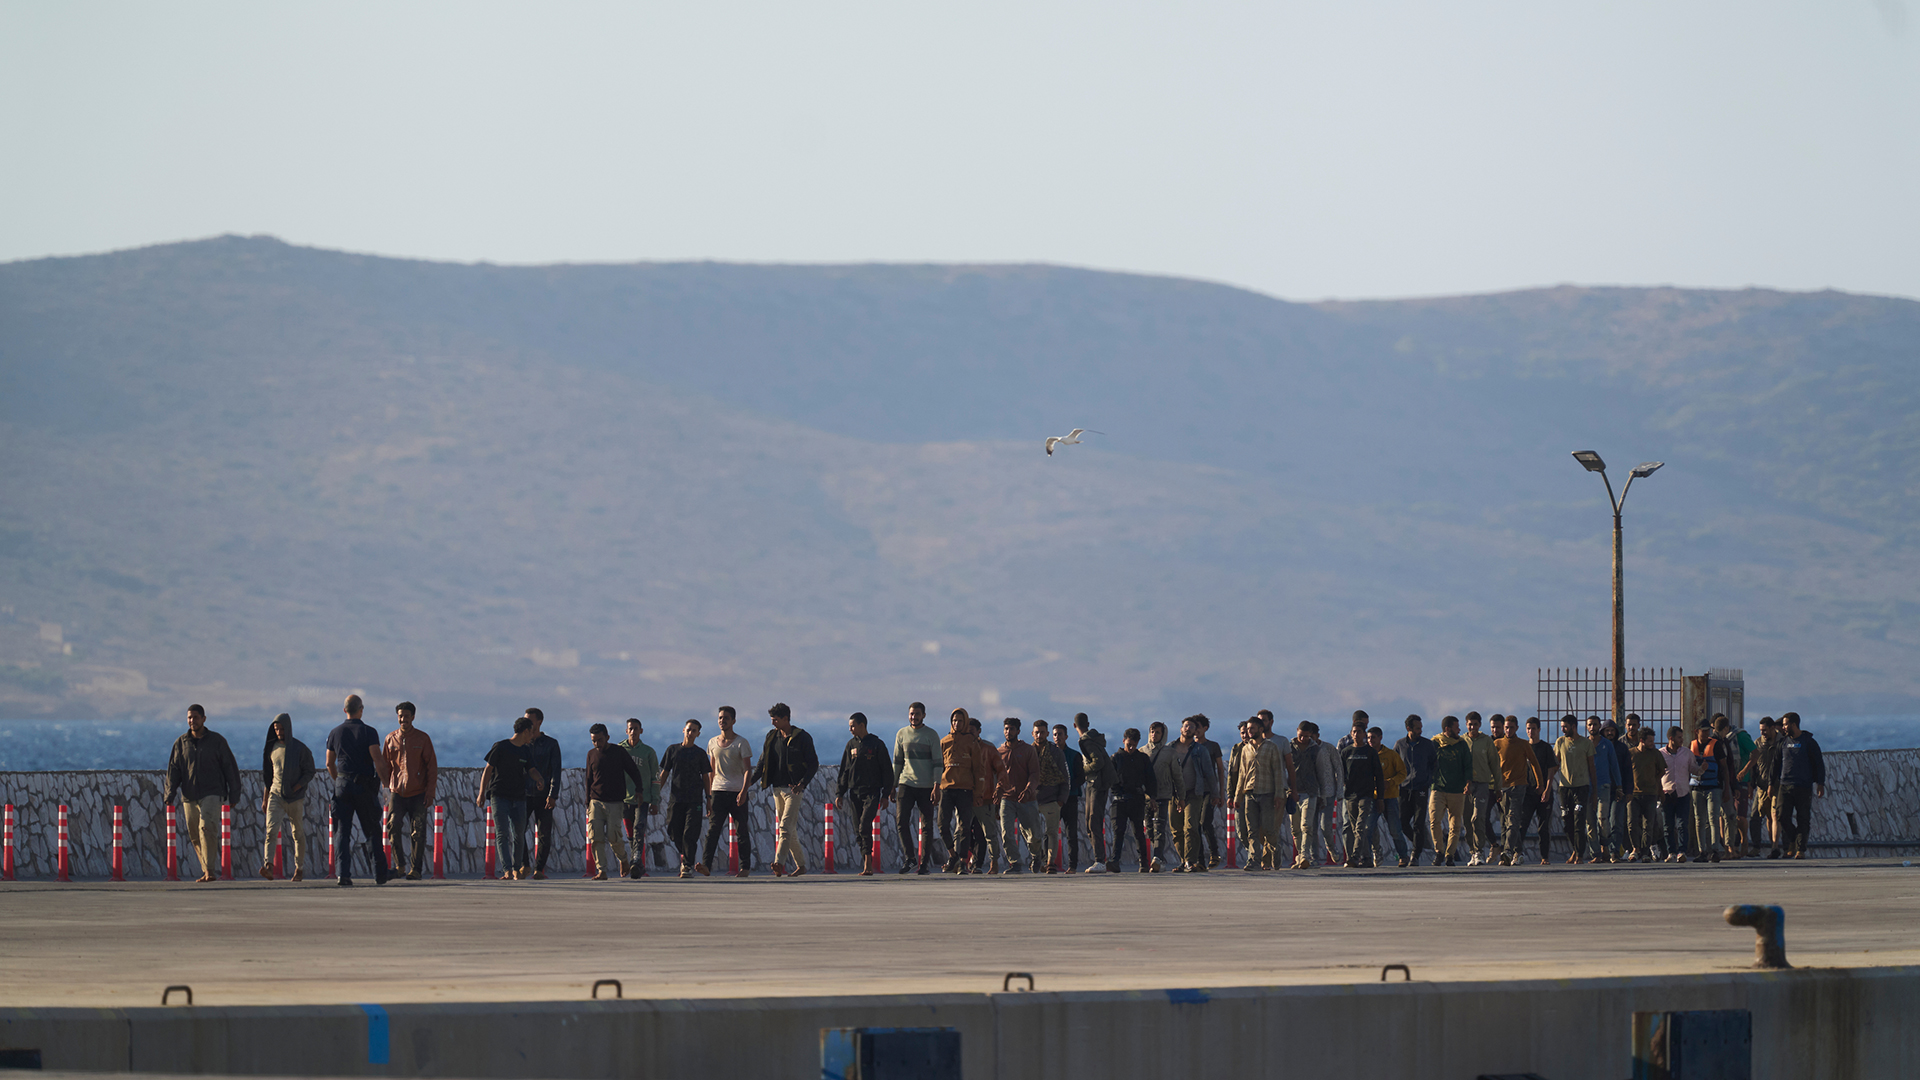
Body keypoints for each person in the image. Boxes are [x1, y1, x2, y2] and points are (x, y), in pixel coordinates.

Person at [163, 705, 241, 884]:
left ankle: (210, 870)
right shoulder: (181, 743)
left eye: (196, 717)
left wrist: (234, 794)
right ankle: (206, 870)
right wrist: (170, 793)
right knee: (195, 834)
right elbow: (173, 770)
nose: (192, 721)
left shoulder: (217, 741)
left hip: (212, 792)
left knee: (207, 828)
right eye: (189, 717)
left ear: (204, 719)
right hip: (189, 795)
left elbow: (230, 767)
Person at [326, 694, 390, 887]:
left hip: (342, 785)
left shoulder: (335, 732)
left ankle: (342, 875)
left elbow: (329, 763)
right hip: (363, 786)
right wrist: (386, 785)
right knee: (371, 830)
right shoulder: (369, 732)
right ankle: (380, 874)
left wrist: (339, 781)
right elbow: (377, 760)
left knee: (342, 832)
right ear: (361, 709)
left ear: (345, 710)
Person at [756, 703, 818, 877]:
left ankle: (779, 863)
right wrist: (747, 784)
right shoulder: (771, 737)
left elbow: (814, 763)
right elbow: (762, 763)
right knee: (789, 831)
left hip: (794, 790)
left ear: (786, 719)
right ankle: (802, 865)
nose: (772, 722)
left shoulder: (802, 737)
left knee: (784, 827)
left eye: (775, 719)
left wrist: (802, 783)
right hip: (777, 788)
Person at [476, 715, 539, 880]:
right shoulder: (501, 747)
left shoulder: (525, 750)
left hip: (519, 797)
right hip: (499, 796)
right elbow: (488, 770)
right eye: (531, 732)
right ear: (525, 731)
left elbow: (531, 769)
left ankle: (517, 868)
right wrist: (482, 792)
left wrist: (539, 779)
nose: (532, 736)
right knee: (502, 833)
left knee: (519, 834)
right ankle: (507, 870)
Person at [382, 701, 438, 880]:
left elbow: (432, 767)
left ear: (413, 717)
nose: (403, 719)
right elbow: (385, 767)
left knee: (418, 831)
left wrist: (430, 793)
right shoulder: (390, 739)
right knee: (393, 826)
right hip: (397, 793)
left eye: (406, 716)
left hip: (418, 793)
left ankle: (416, 869)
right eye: (400, 716)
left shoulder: (422, 739)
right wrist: (385, 788)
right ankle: (400, 866)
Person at [583, 723, 643, 880]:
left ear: (607, 738)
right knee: (595, 836)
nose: (597, 744)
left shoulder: (619, 752)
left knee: (613, 836)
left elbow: (633, 770)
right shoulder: (590, 754)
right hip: (595, 800)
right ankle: (601, 870)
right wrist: (587, 801)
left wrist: (639, 790)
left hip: (615, 802)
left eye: (600, 740)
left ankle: (623, 859)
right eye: (594, 741)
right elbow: (588, 778)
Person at [258, 712, 314, 881]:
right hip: (275, 795)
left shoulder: (300, 748)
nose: (279, 732)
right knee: (271, 831)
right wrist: (265, 797)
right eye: (276, 729)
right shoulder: (272, 748)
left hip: (295, 798)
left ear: (288, 728)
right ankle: (268, 865)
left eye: (281, 728)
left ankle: (299, 868)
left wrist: (297, 786)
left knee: (297, 832)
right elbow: (269, 776)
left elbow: (309, 771)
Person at [700, 706, 755, 877]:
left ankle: (744, 867)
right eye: (720, 718)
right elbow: (712, 770)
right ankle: (706, 865)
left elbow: (747, 769)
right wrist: (709, 795)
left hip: (737, 792)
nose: (722, 721)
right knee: (713, 831)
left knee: (742, 831)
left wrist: (744, 791)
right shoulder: (712, 742)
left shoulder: (741, 743)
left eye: (726, 718)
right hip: (718, 791)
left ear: (733, 721)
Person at [836, 712, 893, 876]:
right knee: (857, 830)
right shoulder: (850, 745)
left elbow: (887, 771)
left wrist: (885, 794)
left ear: (862, 725)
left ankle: (869, 863)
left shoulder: (877, 744)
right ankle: (866, 863)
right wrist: (840, 792)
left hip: (872, 792)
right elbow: (844, 771)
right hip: (854, 793)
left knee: (864, 826)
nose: (850, 729)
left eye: (852, 726)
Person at [892, 702, 941, 875]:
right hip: (906, 783)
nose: (914, 717)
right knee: (901, 821)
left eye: (917, 714)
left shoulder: (931, 735)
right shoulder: (902, 734)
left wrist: (937, 786)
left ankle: (924, 864)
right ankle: (910, 858)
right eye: (912, 714)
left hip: (926, 786)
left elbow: (938, 763)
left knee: (927, 825)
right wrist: (893, 785)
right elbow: (897, 762)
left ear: (924, 715)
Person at [658, 719, 712, 878]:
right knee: (673, 831)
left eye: (694, 731)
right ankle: (687, 854)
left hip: (694, 800)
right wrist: (656, 794)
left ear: (698, 734)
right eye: (688, 730)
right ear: (683, 730)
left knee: (690, 834)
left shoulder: (700, 753)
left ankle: (687, 866)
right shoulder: (672, 750)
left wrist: (708, 799)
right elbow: (665, 774)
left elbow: (706, 777)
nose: (690, 733)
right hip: (676, 799)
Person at [1232, 719, 1288, 871]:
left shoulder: (1272, 747)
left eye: (1252, 728)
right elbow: (1242, 775)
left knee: (1269, 829)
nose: (1249, 731)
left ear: (1260, 729)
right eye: (1248, 728)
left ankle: (1276, 850)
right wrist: (1238, 797)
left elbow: (1277, 772)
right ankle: (1254, 860)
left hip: (1268, 794)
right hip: (1250, 794)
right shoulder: (1245, 749)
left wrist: (1278, 794)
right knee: (1252, 830)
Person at [1771, 712, 1825, 859]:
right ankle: (1794, 838)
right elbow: (1775, 764)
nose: (1783, 727)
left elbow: (1819, 763)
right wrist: (1771, 784)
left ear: (1794, 724)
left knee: (1803, 818)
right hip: (1785, 785)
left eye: (1785, 724)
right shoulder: (1782, 742)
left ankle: (1800, 849)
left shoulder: (1809, 742)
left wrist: (1820, 783)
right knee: (1781, 816)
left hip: (1803, 785)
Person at [1494, 716, 1543, 867]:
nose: (1508, 730)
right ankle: (1519, 853)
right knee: (1507, 822)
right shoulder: (1497, 744)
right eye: (1506, 727)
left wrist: (1540, 783)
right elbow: (1493, 766)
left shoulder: (1523, 744)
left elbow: (1534, 764)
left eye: (1511, 728)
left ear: (1516, 728)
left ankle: (1508, 852)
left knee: (1514, 819)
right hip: (1503, 787)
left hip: (1519, 785)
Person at [993, 717, 1041, 874]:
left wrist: (1029, 790)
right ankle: (1015, 863)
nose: (1008, 732)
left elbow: (1034, 773)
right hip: (1007, 799)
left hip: (1027, 799)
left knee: (1033, 835)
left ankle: (1036, 856)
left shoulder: (1028, 750)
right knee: (1006, 833)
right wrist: (997, 793)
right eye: (1006, 729)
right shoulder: (999, 752)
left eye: (1011, 729)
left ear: (1018, 731)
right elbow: (997, 776)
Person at [937, 709, 982, 873]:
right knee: (942, 824)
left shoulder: (971, 742)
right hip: (946, 789)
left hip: (965, 790)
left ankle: (963, 861)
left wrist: (978, 793)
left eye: (960, 721)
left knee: (964, 827)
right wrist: (935, 788)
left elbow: (978, 769)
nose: (957, 724)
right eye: (954, 720)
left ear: (965, 723)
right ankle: (952, 854)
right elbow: (939, 767)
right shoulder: (944, 741)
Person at [1171, 715, 1216, 872]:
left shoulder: (1200, 750)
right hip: (1175, 795)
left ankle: (1190, 860)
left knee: (1190, 827)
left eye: (1192, 726)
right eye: (1186, 726)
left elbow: (1210, 773)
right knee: (1176, 829)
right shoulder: (1171, 748)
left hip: (1194, 793)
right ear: (1181, 728)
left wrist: (1216, 794)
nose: (1188, 729)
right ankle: (1184, 860)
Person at [1075, 714, 1118, 872]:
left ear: (1074, 726)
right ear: (1088, 723)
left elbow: (1097, 761)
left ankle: (1099, 860)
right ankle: (1099, 859)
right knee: (1091, 822)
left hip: (1096, 784)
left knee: (1093, 821)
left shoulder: (1086, 741)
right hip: (1096, 784)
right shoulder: (1093, 739)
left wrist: (1083, 771)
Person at [1109, 728, 1156, 873]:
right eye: (1129, 743)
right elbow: (1110, 779)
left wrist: (1152, 797)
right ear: (1124, 741)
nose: (1131, 747)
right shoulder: (1116, 758)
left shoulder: (1142, 759)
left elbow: (1150, 780)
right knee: (1119, 831)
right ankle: (1115, 861)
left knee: (1139, 833)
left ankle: (1144, 863)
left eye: (1134, 744)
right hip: (1120, 800)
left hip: (1137, 799)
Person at [523, 708, 562, 880]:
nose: (528, 724)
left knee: (545, 834)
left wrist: (553, 795)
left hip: (544, 795)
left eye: (530, 721)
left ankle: (539, 869)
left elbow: (556, 772)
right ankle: (525, 864)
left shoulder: (551, 744)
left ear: (539, 722)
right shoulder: (522, 743)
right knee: (518, 830)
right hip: (524, 794)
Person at [1688, 716, 1733, 863]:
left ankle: (1714, 850)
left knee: (1713, 818)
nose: (1706, 734)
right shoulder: (1692, 745)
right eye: (1703, 731)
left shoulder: (1716, 745)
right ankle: (1702, 851)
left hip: (1714, 787)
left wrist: (1726, 788)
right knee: (1699, 820)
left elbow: (1725, 767)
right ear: (1697, 732)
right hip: (1697, 787)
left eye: (1708, 730)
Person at [1428, 716, 1472, 866]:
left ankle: (1450, 855)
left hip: (1457, 790)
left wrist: (1468, 783)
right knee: (1434, 821)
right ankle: (1439, 851)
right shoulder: (1435, 743)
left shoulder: (1461, 745)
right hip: (1438, 789)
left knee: (1455, 825)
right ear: (1447, 729)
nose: (1459, 730)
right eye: (1456, 727)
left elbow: (1468, 765)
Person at [619, 719, 660, 878]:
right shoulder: (620, 749)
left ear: (641, 731)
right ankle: (638, 865)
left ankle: (635, 861)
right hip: (624, 799)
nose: (633, 732)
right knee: (630, 833)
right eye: (630, 729)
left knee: (639, 828)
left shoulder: (648, 752)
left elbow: (655, 778)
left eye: (636, 729)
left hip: (642, 799)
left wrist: (655, 800)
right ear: (626, 730)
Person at [1339, 723, 1384, 868]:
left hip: (1366, 795)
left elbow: (1379, 776)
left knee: (1360, 826)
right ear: (1351, 734)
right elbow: (1341, 774)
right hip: (1351, 796)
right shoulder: (1346, 752)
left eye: (1359, 732)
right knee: (1355, 829)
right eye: (1354, 732)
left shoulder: (1370, 753)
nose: (1356, 734)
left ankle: (1354, 857)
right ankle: (1366, 858)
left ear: (1364, 734)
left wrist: (1380, 798)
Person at [1394, 715, 1436, 866]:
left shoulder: (1427, 745)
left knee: (1419, 823)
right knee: (1402, 822)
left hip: (1421, 789)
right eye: (1417, 728)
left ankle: (1415, 854)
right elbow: (1395, 765)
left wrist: (1428, 780)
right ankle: (1420, 842)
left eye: (1421, 728)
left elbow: (1433, 764)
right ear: (1409, 729)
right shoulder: (1400, 745)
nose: (1420, 731)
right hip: (1404, 789)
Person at [1551, 715, 1593, 864]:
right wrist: (1547, 782)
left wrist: (1592, 792)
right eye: (1562, 726)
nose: (1563, 729)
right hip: (1564, 788)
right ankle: (1575, 849)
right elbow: (1556, 764)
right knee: (1567, 822)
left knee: (1579, 822)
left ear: (1573, 726)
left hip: (1581, 787)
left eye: (1565, 726)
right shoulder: (1560, 742)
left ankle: (1580, 855)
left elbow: (1591, 767)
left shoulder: (1586, 744)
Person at [1462, 712, 1502, 865]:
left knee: (1478, 817)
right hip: (1465, 787)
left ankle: (1479, 851)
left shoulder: (1486, 741)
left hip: (1483, 785)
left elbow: (1495, 766)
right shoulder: (1461, 741)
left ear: (1479, 725)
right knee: (1467, 821)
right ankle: (1472, 852)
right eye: (1470, 724)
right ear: (1466, 725)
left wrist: (1498, 788)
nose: (1472, 727)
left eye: (1475, 724)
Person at [1033, 718, 1071, 873]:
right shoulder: (1029, 751)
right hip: (1032, 799)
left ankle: (1050, 863)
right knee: (1032, 833)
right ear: (1032, 733)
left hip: (1052, 799)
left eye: (1042, 732)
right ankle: (1039, 857)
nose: (1039, 735)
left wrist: (1061, 799)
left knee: (1052, 832)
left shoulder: (1056, 752)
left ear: (1047, 733)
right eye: (1037, 732)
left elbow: (1064, 776)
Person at [965, 716, 1002, 872]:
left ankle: (987, 863)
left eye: (972, 731)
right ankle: (964, 860)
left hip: (985, 798)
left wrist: (999, 789)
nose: (969, 734)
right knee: (963, 833)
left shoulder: (989, 748)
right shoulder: (959, 747)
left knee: (986, 834)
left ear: (979, 732)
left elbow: (1001, 771)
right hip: (964, 797)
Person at [1743, 717, 1783, 858]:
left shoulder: (1781, 743)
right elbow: (1754, 766)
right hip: (1761, 786)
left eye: (1765, 730)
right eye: (1761, 730)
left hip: (1777, 786)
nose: (1763, 733)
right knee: (1756, 816)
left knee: (1774, 816)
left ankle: (1774, 847)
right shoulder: (1758, 743)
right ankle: (1756, 847)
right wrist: (1750, 785)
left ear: (1773, 728)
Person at [1369, 727, 1409, 868]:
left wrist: (1390, 782)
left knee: (1395, 830)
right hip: (1372, 798)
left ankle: (1403, 856)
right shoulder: (1366, 755)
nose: (1370, 740)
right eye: (1368, 738)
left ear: (1380, 738)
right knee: (1368, 828)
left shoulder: (1391, 755)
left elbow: (1402, 773)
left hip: (1390, 797)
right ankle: (1368, 857)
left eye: (1373, 737)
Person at [1585, 716, 1623, 863]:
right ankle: (1596, 854)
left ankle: (1605, 847)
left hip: (1604, 785)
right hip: (1586, 786)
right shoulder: (1584, 744)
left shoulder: (1607, 745)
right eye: (1590, 725)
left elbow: (1614, 766)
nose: (1592, 727)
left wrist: (1619, 786)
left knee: (1603, 818)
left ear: (1599, 726)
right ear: (1587, 727)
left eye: (1595, 724)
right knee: (1589, 822)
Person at [1288, 722, 1324, 869]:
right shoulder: (1289, 748)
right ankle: (1299, 857)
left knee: (1306, 825)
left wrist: (1321, 793)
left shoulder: (1315, 749)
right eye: (1301, 735)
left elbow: (1320, 771)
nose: (1303, 739)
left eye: (1306, 736)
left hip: (1310, 792)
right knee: (1295, 828)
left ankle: (1304, 856)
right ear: (1297, 731)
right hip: (1292, 792)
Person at [1657, 726, 1695, 862]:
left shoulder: (1687, 753)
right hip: (1667, 794)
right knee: (1668, 825)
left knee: (1682, 824)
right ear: (1671, 738)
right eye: (1679, 737)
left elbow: (1693, 768)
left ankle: (1682, 851)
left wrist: (1701, 770)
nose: (1682, 740)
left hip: (1683, 793)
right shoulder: (1660, 754)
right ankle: (1671, 852)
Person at [1627, 728, 1666, 862]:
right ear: (1642, 740)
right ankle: (1635, 849)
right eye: (1650, 741)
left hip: (1650, 794)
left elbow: (1662, 770)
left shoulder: (1655, 754)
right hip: (1634, 794)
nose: (1652, 743)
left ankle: (1645, 852)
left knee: (1648, 824)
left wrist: (1654, 780)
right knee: (1632, 822)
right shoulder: (1631, 754)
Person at [1524, 717, 1558, 865]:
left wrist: (1547, 789)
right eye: (1528, 729)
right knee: (1522, 824)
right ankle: (1516, 854)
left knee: (1543, 827)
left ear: (1539, 730)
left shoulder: (1545, 748)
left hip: (1544, 792)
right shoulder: (1524, 747)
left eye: (1533, 729)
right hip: (1527, 792)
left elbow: (1552, 770)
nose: (1531, 732)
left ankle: (1545, 857)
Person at [1054, 723, 1088, 871]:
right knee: (1051, 832)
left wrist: (1067, 788)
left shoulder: (1074, 755)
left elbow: (1081, 777)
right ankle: (1049, 863)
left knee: (1071, 833)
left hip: (1070, 798)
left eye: (1060, 734)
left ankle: (1072, 865)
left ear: (1066, 736)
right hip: (1053, 799)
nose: (1057, 738)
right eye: (1055, 735)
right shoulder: (1049, 755)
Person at [1146, 721, 1176, 872]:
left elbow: (1177, 776)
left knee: (1159, 828)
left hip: (1162, 796)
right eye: (1152, 731)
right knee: (1149, 830)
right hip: (1145, 797)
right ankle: (1160, 858)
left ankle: (1157, 858)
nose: (1154, 735)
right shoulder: (1142, 751)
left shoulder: (1169, 752)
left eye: (1157, 732)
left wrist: (1180, 797)